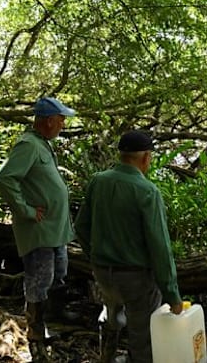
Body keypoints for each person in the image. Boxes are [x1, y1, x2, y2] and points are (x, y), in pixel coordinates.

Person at [75, 130, 183, 363]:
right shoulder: (147, 191)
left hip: (103, 273)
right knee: (143, 335)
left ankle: (107, 357)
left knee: (111, 315)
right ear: (145, 157)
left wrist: (95, 257)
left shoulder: (98, 181)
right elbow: (160, 248)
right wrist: (172, 295)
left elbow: (81, 226)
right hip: (136, 279)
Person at [0, 96, 76, 348]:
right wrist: (26, 210)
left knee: (59, 273)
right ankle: (36, 329)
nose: (63, 124)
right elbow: (4, 178)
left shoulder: (42, 144)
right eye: (61, 119)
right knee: (40, 278)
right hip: (39, 229)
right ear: (49, 121)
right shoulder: (28, 145)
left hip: (55, 229)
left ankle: (55, 318)